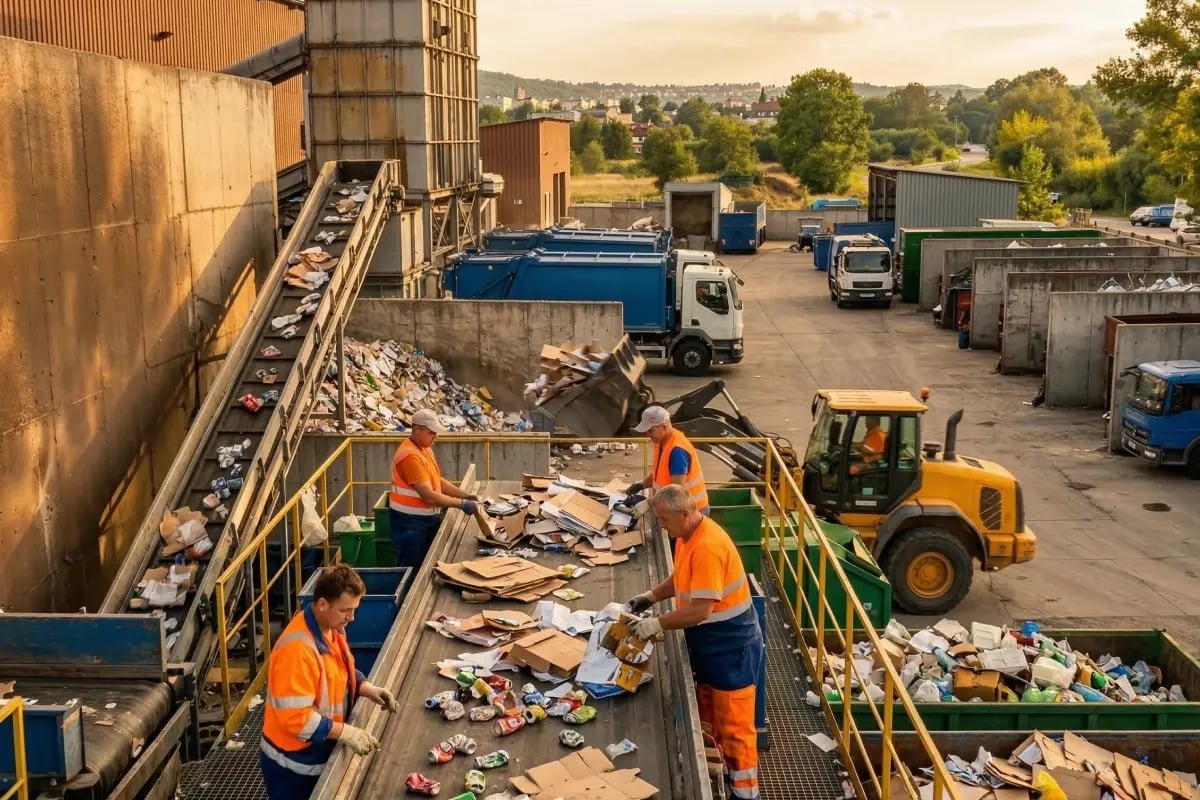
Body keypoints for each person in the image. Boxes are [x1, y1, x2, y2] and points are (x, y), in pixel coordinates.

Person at [626, 486, 762, 800]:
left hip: (732, 650)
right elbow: (682, 579)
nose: (661, 526)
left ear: (685, 514)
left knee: (735, 728)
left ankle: (746, 793)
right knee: (711, 720)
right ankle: (722, 774)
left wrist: (656, 623)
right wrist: (652, 596)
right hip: (711, 647)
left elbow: (701, 609)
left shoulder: (708, 547)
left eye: (664, 520)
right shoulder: (687, 537)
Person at [260, 564, 397, 799]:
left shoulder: (331, 628)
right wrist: (345, 732)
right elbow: (296, 720)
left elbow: (338, 670)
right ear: (322, 604)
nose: (352, 618)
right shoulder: (297, 650)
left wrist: (365, 687)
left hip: (316, 750)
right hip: (293, 765)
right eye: (346, 610)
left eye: (354, 609)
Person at [389, 409, 480, 569]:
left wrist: (466, 496)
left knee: (426, 566)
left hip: (425, 522)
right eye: (432, 433)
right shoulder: (410, 456)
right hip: (410, 526)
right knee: (412, 572)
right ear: (417, 430)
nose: (436, 437)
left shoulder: (424, 449)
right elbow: (429, 496)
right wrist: (462, 504)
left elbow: (438, 482)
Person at [626, 406, 709, 515]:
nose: (648, 435)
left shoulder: (677, 451)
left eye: (651, 430)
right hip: (676, 508)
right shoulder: (661, 442)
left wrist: (648, 503)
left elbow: (676, 491)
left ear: (664, 427)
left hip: (690, 512)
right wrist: (642, 484)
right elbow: (660, 472)